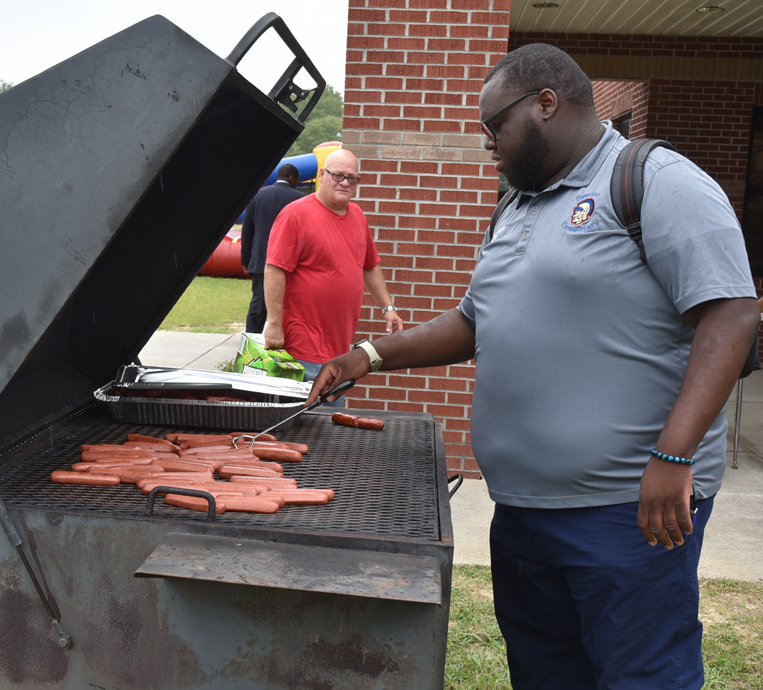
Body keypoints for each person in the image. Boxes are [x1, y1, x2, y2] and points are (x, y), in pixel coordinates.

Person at [307, 43, 760, 690]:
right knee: (545, 672)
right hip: (522, 512)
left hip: (626, 511)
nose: (488, 143)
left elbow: (731, 315)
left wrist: (676, 453)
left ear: (547, 103)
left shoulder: (653, 180)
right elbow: (472, 321)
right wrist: (369, 356)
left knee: (641, 676)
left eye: (496, 126)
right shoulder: (515, 206)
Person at [263, 149, 403, 396]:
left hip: (340, 351)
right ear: (321, 175)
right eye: (338, 175)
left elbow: (369, 265)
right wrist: (274, 323)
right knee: (301, 427)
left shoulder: (357, 216)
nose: (345, 182)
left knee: (326, 429)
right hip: (301, 350)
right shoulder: (295, 214)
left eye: (352, 178)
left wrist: (388, 307)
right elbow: (275, 269)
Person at [240, 163, 304, 333]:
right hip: (290, 263)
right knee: (288, 304)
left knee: (258, 304)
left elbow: (247, 231)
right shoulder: (300, 199)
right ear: (292, 178)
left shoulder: (257, 196)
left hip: (261, 260)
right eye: (297, 180)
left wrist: (246, 260)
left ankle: (251, 342)